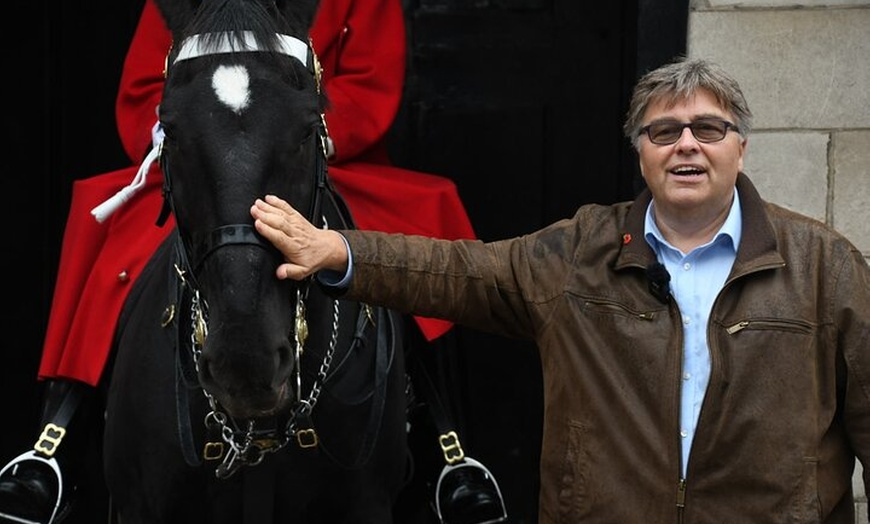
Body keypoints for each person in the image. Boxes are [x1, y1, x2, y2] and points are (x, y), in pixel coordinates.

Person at [249, 56, 870, 523]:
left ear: (740, 147)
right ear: (640, 153)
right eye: (664, 132)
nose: (686, 144)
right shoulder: (580, 251)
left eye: (709, 129)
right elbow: (460, 272)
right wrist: (338, 249)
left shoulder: (824, 266)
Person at [0, 0, 486, 522]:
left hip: (310, 158)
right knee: (109, 234)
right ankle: (55, 443)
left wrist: (288, 131)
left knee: (427, 214)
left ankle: (447, 449)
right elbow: (143, 88)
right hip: (206, 161)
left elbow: (372, 85)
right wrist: (193, 134)